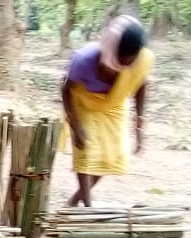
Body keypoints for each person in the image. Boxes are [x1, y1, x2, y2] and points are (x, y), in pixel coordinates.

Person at [62, 15, 152, 207]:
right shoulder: (84, 60)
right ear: (111, 49)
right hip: (84, 102)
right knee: (87, 152)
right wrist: (75, 125)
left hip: (114, 104)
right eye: (122, 58)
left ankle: (75, 201)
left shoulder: (141, 59)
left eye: (132, 59)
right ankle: (88, 207)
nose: (127, 63)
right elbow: (66, 89)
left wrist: (139, 127)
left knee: (111, 156)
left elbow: (140, 84)